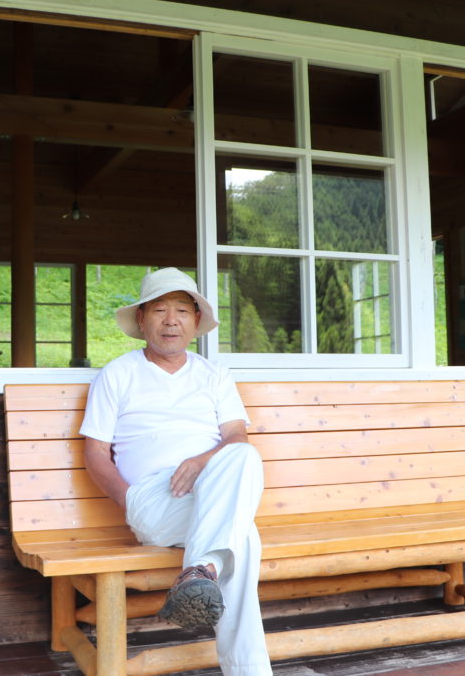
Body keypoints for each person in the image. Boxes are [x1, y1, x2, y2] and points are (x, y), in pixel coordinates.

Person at [79, 267, 273, 676]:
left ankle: (199, 572)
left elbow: (237, 438)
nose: (172, 320)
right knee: (242, 535)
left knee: (245, 459)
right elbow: (95, 453)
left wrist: (201, 461)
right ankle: (246, 662)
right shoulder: (118, 374)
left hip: (211, 493)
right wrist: (129, 500)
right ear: (143, 319)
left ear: (196, 321)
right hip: (153, 499)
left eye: (182, 311)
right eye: (161, 310)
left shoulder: (213, 375)